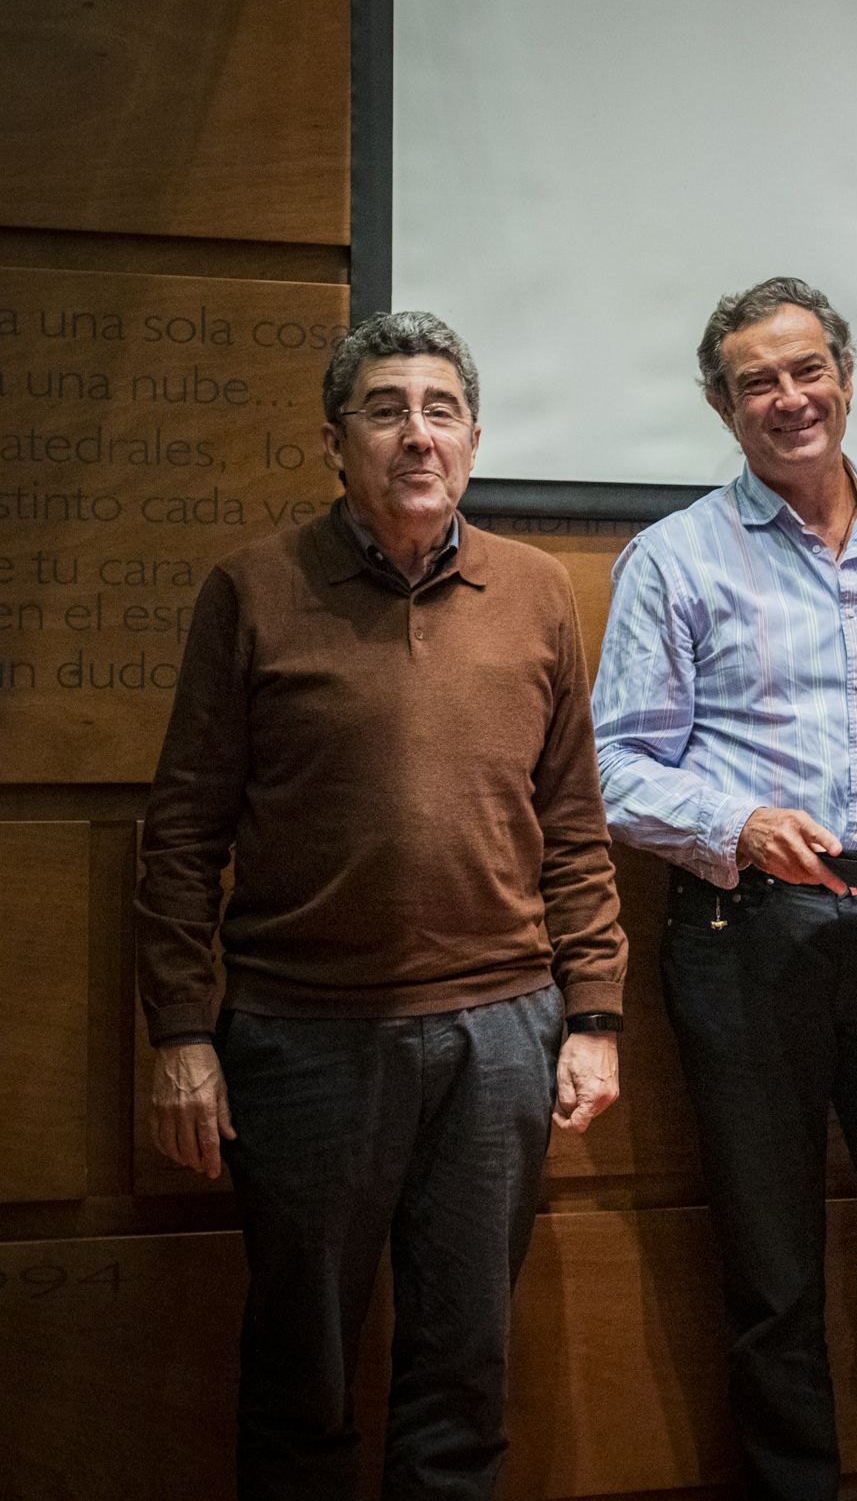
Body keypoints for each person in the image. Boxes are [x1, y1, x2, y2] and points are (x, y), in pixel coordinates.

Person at [137, 311, 627, 1500]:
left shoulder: (537, 592)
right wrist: (182, 1033)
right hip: (302, 1041)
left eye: (441, 410)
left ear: (474, 440)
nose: (418, 435)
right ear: (334, 441)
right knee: (299, 1374)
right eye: (386, 410)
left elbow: (573, 822)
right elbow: (184, 832)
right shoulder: (252, 589)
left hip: (501, 1036)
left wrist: (595, 1015)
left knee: (464, 1371)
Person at [591, 276, 857, 1501]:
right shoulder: (673, 558)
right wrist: (736, 821)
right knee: (772, 1285)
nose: (788, 399)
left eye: (806, 370)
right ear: (722, 408)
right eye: (757, 384)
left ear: (844, 375)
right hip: (745, 933)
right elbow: (617, 767)